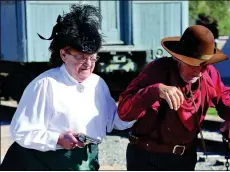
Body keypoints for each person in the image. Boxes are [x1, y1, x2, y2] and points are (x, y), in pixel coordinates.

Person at [0, 4, 134, 171]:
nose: (88, 64)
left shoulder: (97, 83)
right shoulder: (45, 84)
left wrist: (137, 106)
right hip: (45, 163)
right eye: (80, 57)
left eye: (93, 58)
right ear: (63, 54)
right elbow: (21, 131)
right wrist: (57, 138)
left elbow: (113, 121)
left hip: (85, 161)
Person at [117, 25, 230, 171]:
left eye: (203, 65)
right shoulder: (157, 69)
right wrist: (154, 91)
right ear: (179, 58)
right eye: (192, 64)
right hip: (147, 158)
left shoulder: (209, 74)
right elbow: (124, 111)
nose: (198, 72)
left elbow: (225, 98)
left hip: (184, 160)